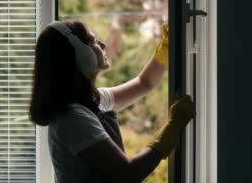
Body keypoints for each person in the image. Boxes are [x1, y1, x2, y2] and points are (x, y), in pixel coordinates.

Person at [29, 20, 196, 183]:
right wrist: (172, 127)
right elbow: (129, 174)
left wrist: (165, 48)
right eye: (93, 41)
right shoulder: (73, 117)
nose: (103, 44)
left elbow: (144, 83)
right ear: (80, 55)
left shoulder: (92, 100)